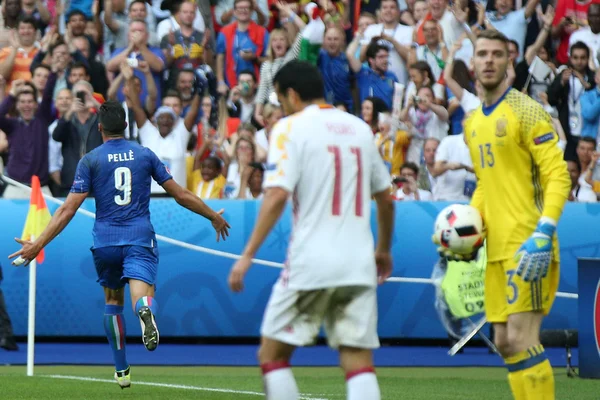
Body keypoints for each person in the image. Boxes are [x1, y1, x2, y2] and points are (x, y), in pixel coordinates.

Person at [7, 101, 231, 388]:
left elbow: (67, 209)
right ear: (126, 126)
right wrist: (212, 216)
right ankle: (145, 310)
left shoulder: (90, 160)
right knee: (142, 294)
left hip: (105, 242)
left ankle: (122, 370)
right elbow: (181, 194)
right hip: (138, 237)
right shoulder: (144, 154)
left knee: (113, 302)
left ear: (99, 128)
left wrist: (38, 243)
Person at [227, 60, 395, 400]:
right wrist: (383, 250)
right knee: (357, 358)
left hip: (311, 262)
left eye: (279, 98)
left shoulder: (290, 128)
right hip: (358, 263)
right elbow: (386, 200)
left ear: (291, 94)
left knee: (272, 355)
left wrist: (247, 256)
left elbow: (276, 194)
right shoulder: (360, 129)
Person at [459, 30, 571, 400]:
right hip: (496, 250)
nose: (488, 60)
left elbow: (558, 174)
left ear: (510, 61)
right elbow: (483, 184)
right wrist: (466, 229)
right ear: (472, 63)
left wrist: (545, 230)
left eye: (497, 54)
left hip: (529, 246)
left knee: (524, 339)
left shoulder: (526, 110)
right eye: (481, 54)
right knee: (506, 343)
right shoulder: (472, 123)